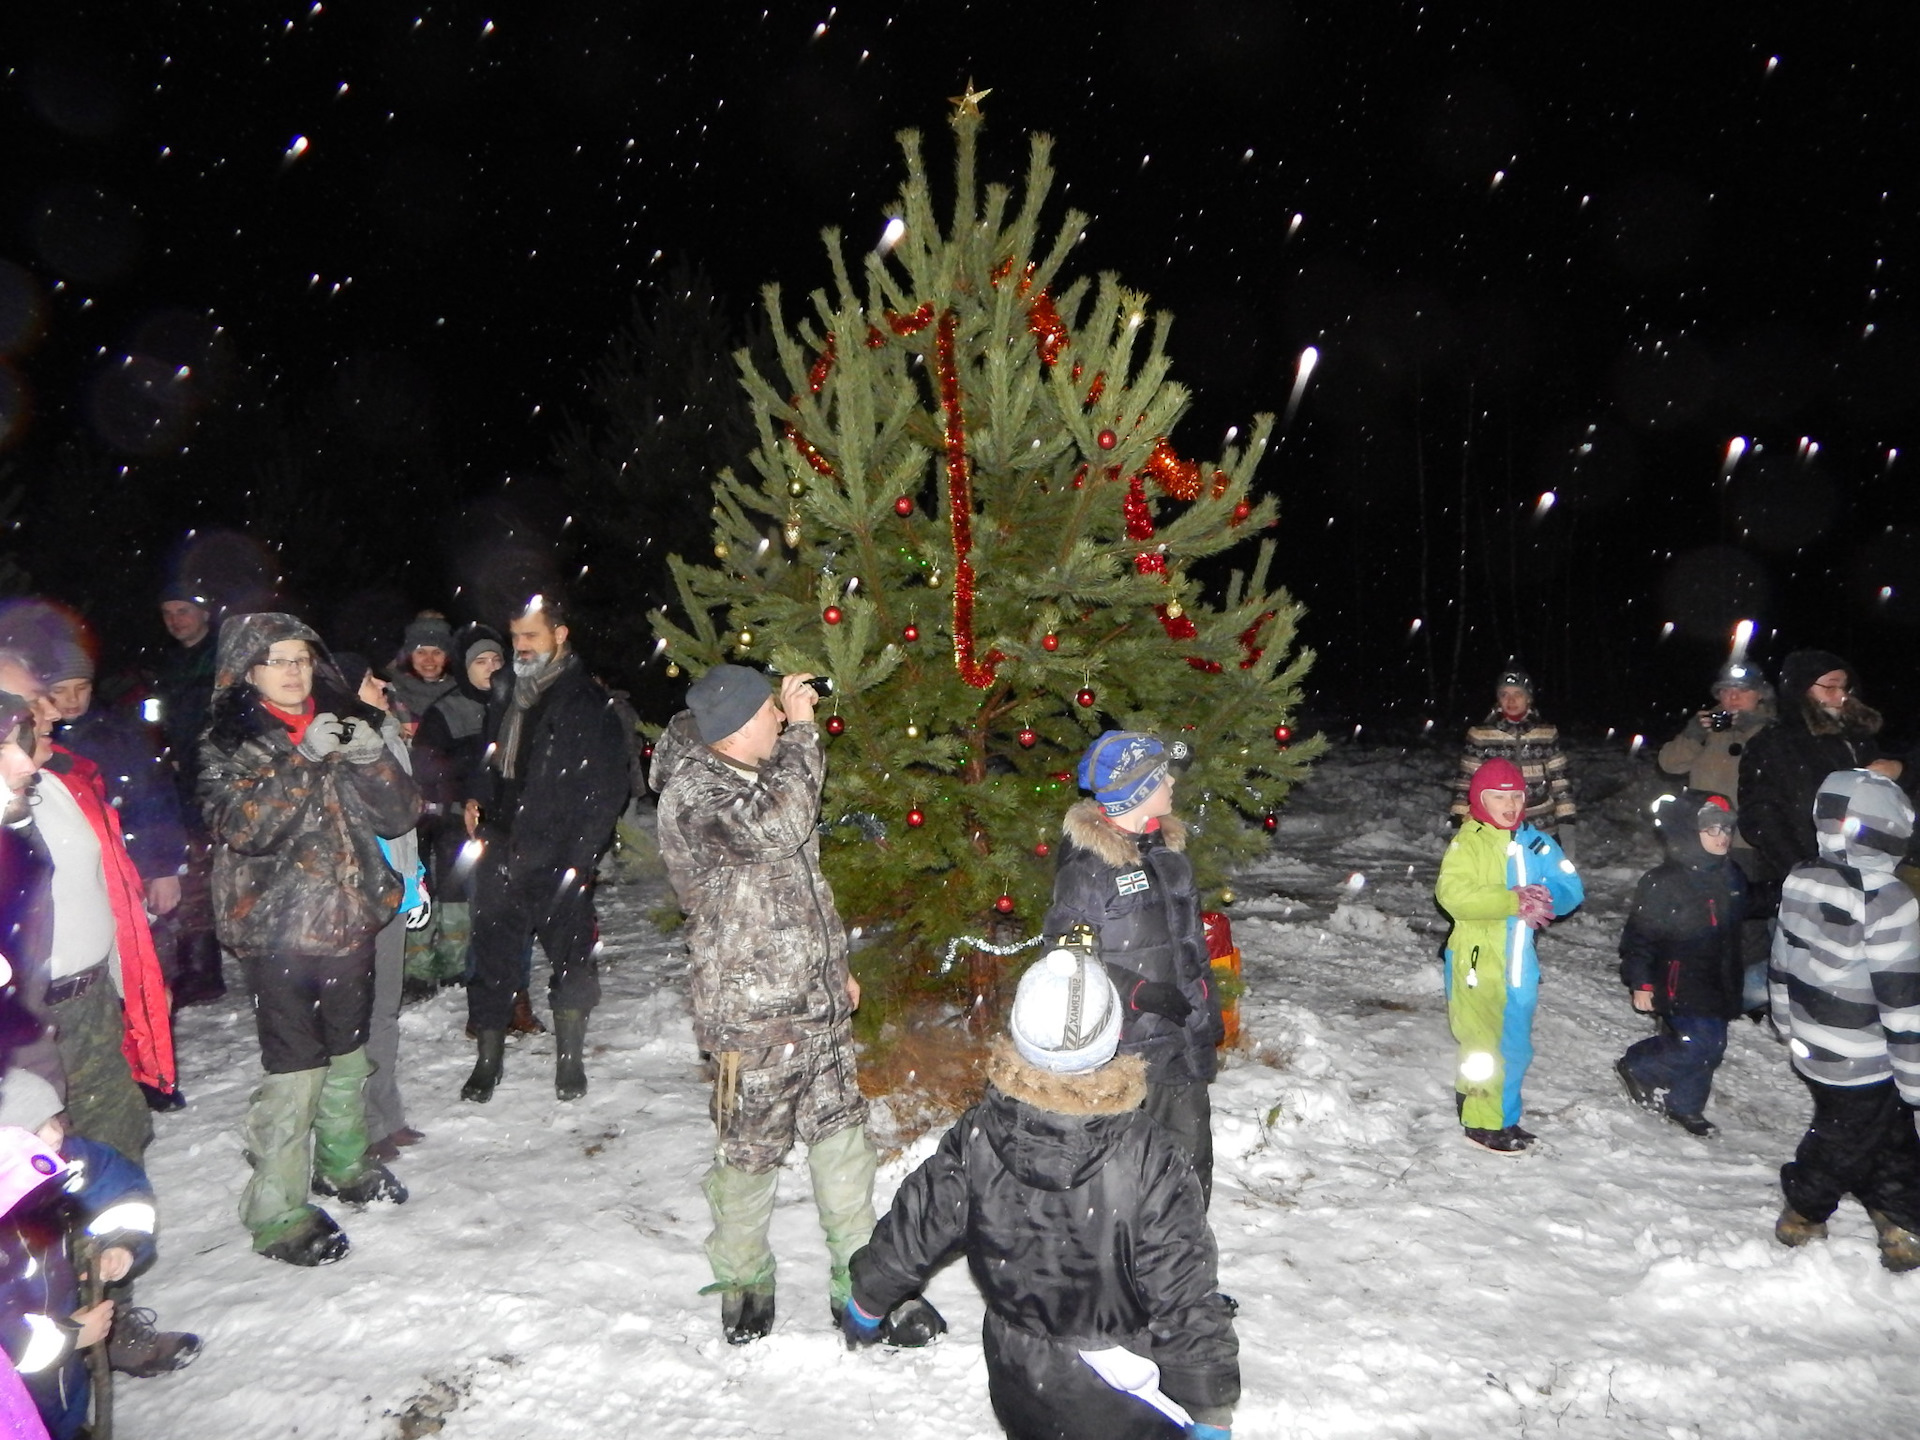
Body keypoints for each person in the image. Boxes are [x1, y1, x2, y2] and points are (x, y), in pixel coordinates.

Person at [845, 940, 1239, 1440]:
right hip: (1119, 1387)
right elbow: (1184, 1291)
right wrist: (1208, 1405)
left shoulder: (979, 1134)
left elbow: (917, 1223)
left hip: (1019, 1376)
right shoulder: (1148, 1156)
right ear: (1114, 1034)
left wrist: (868, 1295)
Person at [651, 664, 936, 1346]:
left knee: (843, 1145)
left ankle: (858, 1286)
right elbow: (779, 829)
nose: (782, 717)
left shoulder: (765, 778)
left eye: (784, 712)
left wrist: (836, 968)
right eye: (771, 712)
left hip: (817, 1006)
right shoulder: (694, 793)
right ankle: (744, 1280)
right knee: (749, 1153)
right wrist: (805, 732)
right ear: (737, 723)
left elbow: (804, 888)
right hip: (751, 1018)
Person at [198, 614, 420, 1265]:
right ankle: (277, 1209)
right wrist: (305, 758)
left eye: (300, 658)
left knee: (349, 1055)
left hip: (350, 922)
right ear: (249, 672)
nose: (293, 671)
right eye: (277, 661)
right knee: (295, 1069)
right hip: (278, 934)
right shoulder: (228, 741)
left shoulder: (346, 720)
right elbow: (245, 826)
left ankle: (344, 1166)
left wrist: (372, 757)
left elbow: (401, 813)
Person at [0, 651, 173, 1161]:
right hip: (30, 1018)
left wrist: (133, 980)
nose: (54, 711)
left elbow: (105, 885)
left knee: (117, 1143)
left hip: (92, 1000)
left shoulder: (59, 783)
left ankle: (118, 1240)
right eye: (36, 701)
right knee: (49, 1165)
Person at [459, 597, 629, 1104]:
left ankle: (569, 1060)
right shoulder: (507, 693)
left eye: (531, 636)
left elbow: (607, 787)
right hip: (500, 846)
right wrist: (477, 796)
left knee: (573, 961)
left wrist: (581, 858)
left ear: (560, 634)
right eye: (515, 638)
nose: (521, 647)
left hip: (559, 853)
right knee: (491, 957)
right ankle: (488, 1059)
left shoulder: (584, 700)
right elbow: (492, 758)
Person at [1042, 730, 1222, 1205]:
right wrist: (1139, 992)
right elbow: (1065, 959)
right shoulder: (1089, 866)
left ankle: (1181, 1272)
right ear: (1138, 791)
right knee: (1125, 1178)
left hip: (1181, 1036)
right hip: (1128, 1048)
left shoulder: (1167, 850)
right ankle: (1122, 1272)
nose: (1172, 786)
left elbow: (1187, 943)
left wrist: (1206, 1006)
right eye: (1162, 778)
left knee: (1189, 1164)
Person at [1768, 768, 1920, 1271]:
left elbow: (1782, 957)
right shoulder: (1887, 898)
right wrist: (1915, 1077)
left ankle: (1901, 1220)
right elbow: (1903, 998)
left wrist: (1787, 1022)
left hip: (1814, 1041)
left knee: (1885, 1135)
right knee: (1842, 1141)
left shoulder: (1802, 876)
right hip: (1864, 1055)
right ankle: (1804, 1210)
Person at [0, 1069, 200, 1390]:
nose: (54, 1135)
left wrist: (122, 1242)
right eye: (35, 1130)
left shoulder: (64, 1160)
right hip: (17, 1394)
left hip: (63, 1352)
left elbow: (119, 1189)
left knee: (66, 1397)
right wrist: (70, 1336)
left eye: (55, 1119)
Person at [1436, 758, 1584, 1153]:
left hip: (1520, 965)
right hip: (1477, 960)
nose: (1510, 805)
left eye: (1517, 796)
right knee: (1483, 1045)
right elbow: (1453, 896)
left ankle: (1502, 1114)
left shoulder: (1536, 842)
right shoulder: (1470, 842)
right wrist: (1510, 901)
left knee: (1515, 1046)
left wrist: (1547, 897)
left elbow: (1570, 883)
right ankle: (1482, 1122)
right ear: (1481, 801)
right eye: (1499, 797)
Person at [331, 655, 428, 1166]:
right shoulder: (340, 740)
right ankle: (363, 1126)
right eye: (371, 679)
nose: (383, 685)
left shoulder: (386, 731)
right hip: (360, 894)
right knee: (358, 1014)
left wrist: (416, 880)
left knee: (384, 1009)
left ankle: (387, 1116)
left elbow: (405, 816)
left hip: (395, 887)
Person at [1613, 794, 1748, 1137]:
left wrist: (1786, 891)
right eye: (1711, 829)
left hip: (1718, 977)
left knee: (1711, 1046)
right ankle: (1640, 1065)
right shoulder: (1664, 881)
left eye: (1727, 829)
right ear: (1690, 833)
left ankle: (1686, 1105)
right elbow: (1639, 937)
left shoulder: (1729, 873)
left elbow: (1750, 901)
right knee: (1694, 1042)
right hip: (1677, 978)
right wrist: (1641, 982)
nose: (1722, 837)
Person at [1740, 649, 1904, 903]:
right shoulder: (1774, 743)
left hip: (1869, 876)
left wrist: (1899, 769)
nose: (1840, 696)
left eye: (1844, 687)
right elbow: (1760, 817)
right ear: (1801, 689)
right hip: (1807, 885)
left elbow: (1888, 805)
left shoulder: (1856, 738)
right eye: (1829, 687)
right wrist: (1807, 873)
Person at [402, 629, 500, 1004]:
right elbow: (426, 764)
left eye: (496, 660)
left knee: (467, 892)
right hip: (445, 816)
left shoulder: (511, 704)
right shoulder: (448, 709)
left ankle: (458, 962)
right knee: (435, 886)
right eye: (480, 661)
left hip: (488, 817)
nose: (490, 668)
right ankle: (420, 970)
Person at [150, 585, 226, 1009]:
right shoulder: (169, 663)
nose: (176, 620)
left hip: (219, 781)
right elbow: (161, 717)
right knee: (193, 872)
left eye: (183, 610)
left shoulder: (222, 657)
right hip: (183, 783)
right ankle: (201, 969)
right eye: (167, 612)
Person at [0, 1125, 101, 1440]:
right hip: (21, 1402)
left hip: (58, 1383)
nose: (56, 1131)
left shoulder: (25, 1183)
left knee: (64, 1412)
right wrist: (72, 1336)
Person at [1447, 665, 1576, 842]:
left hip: (1541, 824)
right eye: (1504, 694)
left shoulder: (1546, 733)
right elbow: (1466, 780)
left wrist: (1566, 819)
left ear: (1529, 698)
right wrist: (1459, 816)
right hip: (1495, 824)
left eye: (1518, 694)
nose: (1511, 700)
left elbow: (1560, 779)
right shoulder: (1480, 734)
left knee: (1542, 869)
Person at [385, 613, 459, 733]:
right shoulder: (389, 698)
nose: (429, 660)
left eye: (437, 652)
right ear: (410, 656)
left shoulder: (464, 696)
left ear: (447, 657)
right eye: (421, 652)